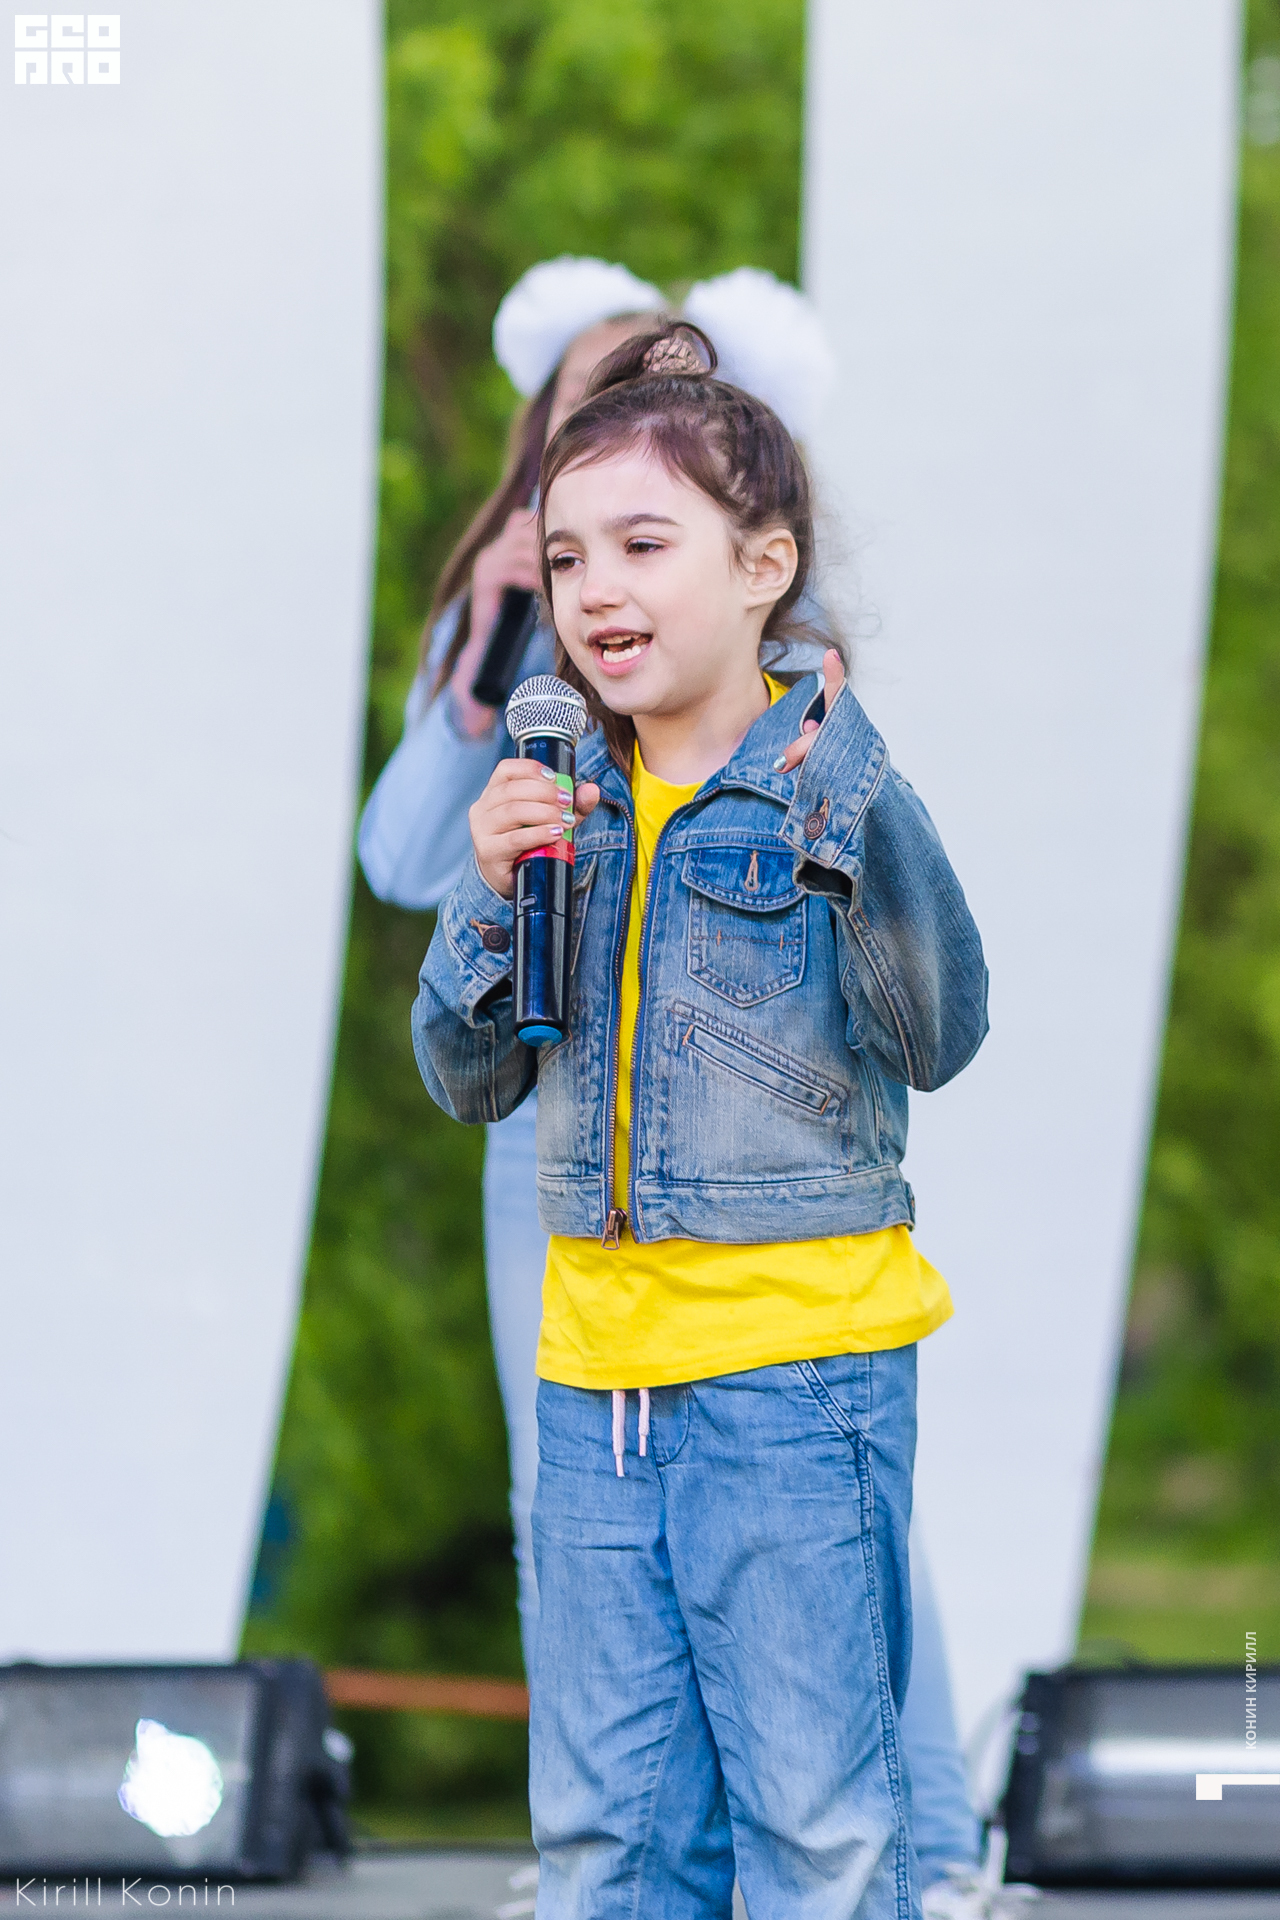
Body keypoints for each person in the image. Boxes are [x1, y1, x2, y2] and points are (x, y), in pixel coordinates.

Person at [360, 259, 983, 1898]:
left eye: (643, 545)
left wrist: (847, 802)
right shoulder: (556, 787)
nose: (594, 589)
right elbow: (467, 1075)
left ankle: (957, 1844)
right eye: (567, 555)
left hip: (793, 1379)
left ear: (765, 567)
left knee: (819, 1823)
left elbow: (942, 1030)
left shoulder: (823, 782)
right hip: (598, 1387)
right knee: (612, 1832)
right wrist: (489, 893)